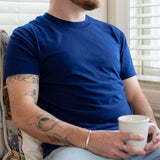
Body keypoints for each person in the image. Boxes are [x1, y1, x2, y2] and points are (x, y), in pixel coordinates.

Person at [4, 0, 160, 159]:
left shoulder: (114, 34)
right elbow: (22, 111)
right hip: (76, 148)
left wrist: (153, 129)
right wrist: (90, 139)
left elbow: (134, 95)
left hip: (132, 142)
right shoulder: (27, 37)